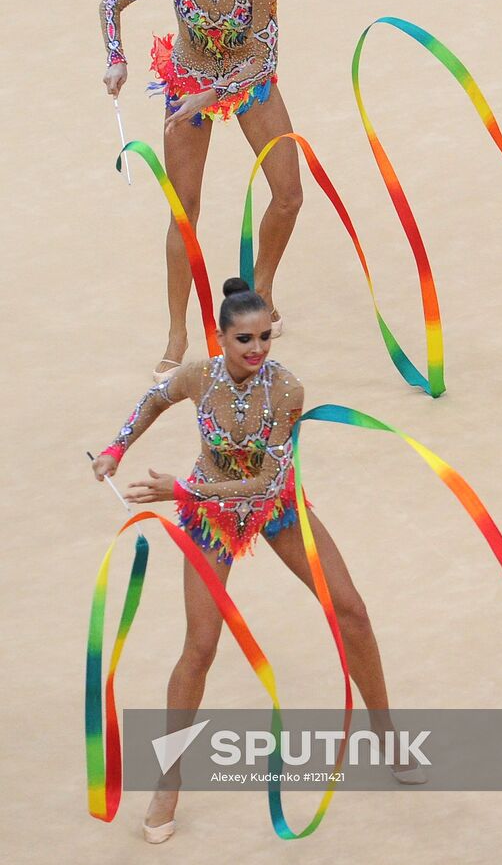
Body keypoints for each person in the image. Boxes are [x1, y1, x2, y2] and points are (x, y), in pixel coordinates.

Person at [92, 278, 425, 844]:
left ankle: (386, 730)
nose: (257, 349)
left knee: (352, 610)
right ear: (219, 336)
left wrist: (184, 494)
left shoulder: (286, 389)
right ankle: (168, 780)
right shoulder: (199, 375)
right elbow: (155, 398)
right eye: (244, 338)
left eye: (265, 337)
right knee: (199, 647)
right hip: (210, 517)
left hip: (273, 507)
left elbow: (265, 480)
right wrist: (116, 447)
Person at [99, 0, 303, 380]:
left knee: (289, 194)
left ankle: (262, 288)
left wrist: (213, 94)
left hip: (243, 82)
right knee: (184, 212)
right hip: (186, 80)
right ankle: (177, 333)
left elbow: (264, 57)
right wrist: (117, 61)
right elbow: (111, 3)